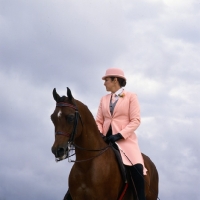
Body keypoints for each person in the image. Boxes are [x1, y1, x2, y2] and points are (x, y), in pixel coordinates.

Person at [96, 68, 147, 200]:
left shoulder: (131, 97)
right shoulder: (104, 99)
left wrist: (119, 135)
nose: (104, 83)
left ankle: (140, 198)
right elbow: (99, 121)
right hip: (106, 140)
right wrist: (101, 135)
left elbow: (135, 120)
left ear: (115, 80)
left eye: (106, 80)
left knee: (137, 168)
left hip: (125, 141)